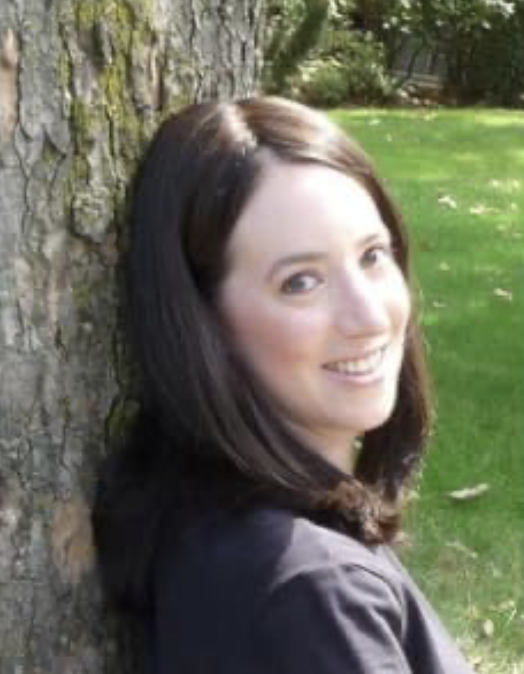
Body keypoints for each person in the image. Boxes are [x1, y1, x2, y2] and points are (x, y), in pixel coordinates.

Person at [92, 97, 474, 673]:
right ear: (206, 323)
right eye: (300, 282)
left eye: (372, 255)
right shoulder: (311, 594)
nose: (368, 316)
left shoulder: (212, 524)